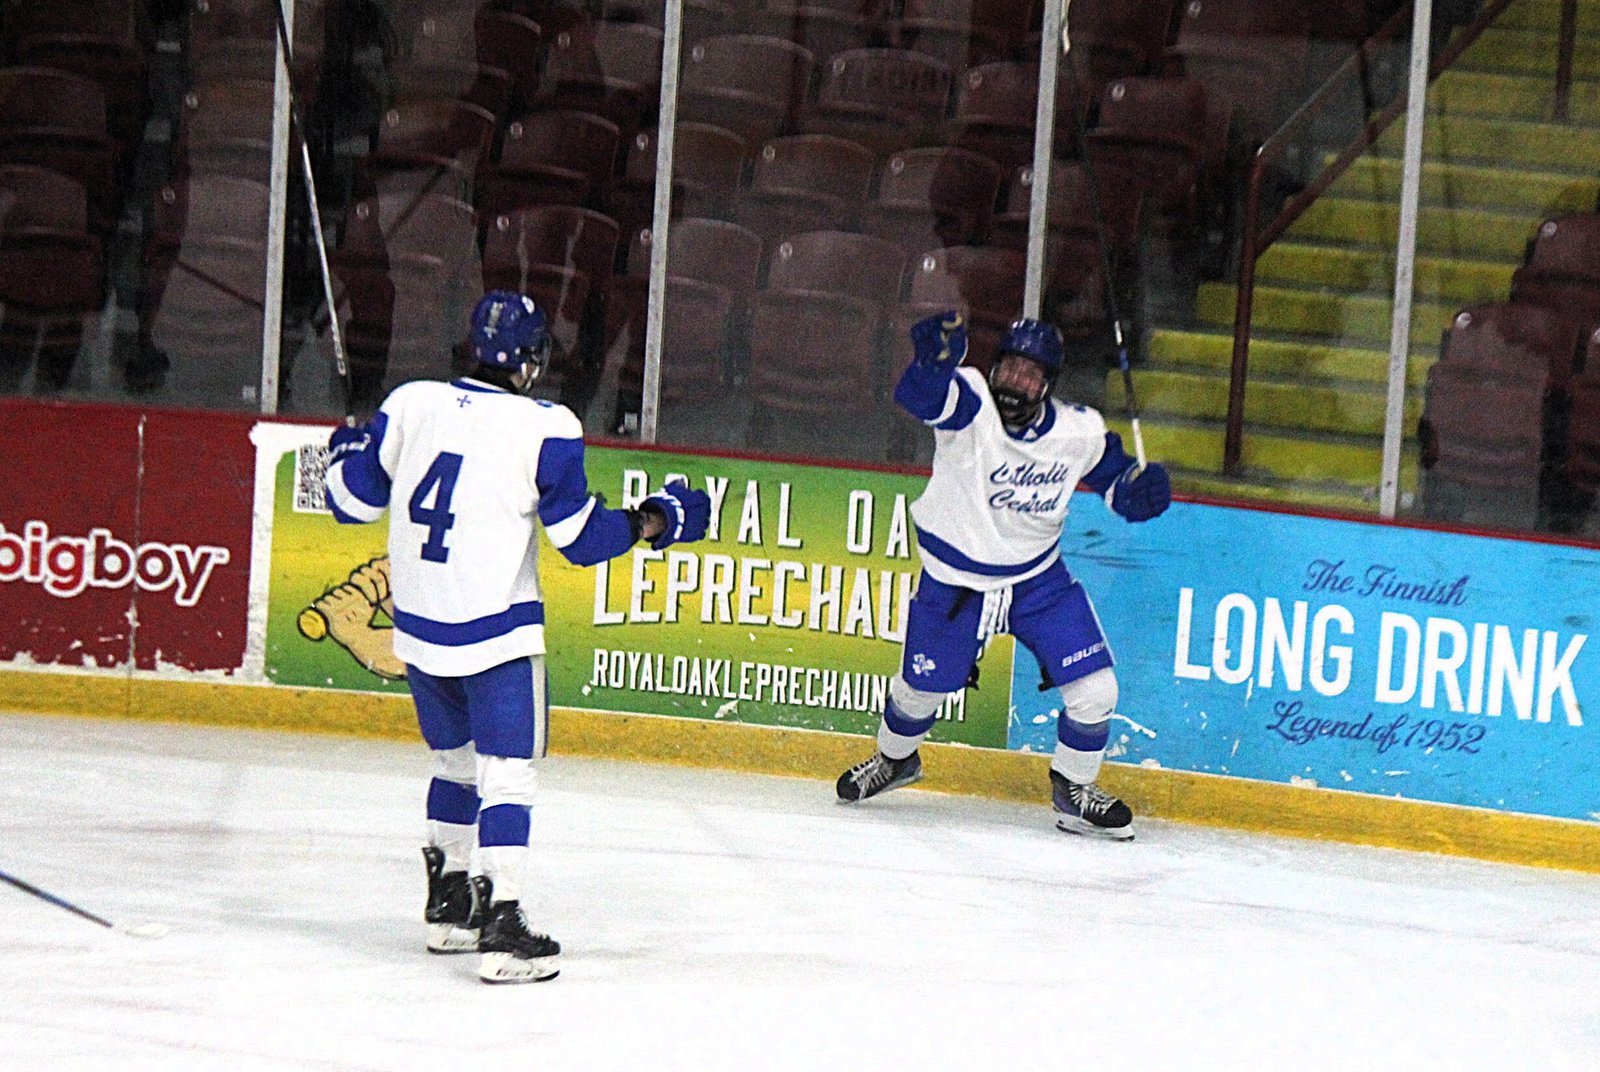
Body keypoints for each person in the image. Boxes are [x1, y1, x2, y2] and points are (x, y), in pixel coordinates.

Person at [322, 290, 710, 982]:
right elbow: (582, 541)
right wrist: (656, 520)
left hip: (418, 630)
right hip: (495, 631)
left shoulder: (409, 403)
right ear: (529, 361)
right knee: (508, 774)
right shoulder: (547, 425)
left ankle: (450, 907)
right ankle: (502, 925)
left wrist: (344, 450)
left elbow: (348, 503)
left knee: (455, 766)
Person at [835, 311, 1171, 839]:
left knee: (1097, 690)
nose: (1015, 382)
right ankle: (895, 760)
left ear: (1048, 384)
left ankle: (1074, 792)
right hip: (954, 581)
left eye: (1030, 375)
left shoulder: (1077, 430)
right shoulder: (969, 404)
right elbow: (921, 399)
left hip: (1038, 581)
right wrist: (929, 365)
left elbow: (1116, 481)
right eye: (1009, 369)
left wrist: (1137, 494)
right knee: (920, 691)